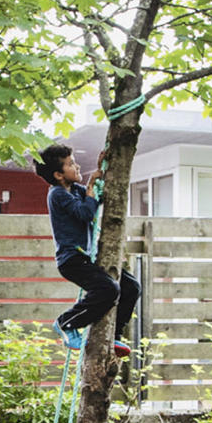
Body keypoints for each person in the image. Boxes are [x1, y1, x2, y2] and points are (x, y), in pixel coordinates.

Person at [33, 143, 137, 358]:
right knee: (108, 290)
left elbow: (95, 198)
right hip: (72, 260)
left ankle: (115, 334)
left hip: (87, 257)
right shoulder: (57, 194)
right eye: (71, 164)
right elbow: (85, 213)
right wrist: (91, 187)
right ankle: (67, 322)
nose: (77, 166)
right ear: (58, 175)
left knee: (131, 287)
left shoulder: (74, 190)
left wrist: (101, 172)